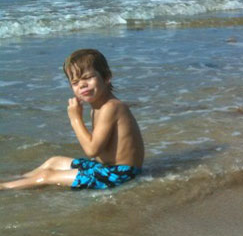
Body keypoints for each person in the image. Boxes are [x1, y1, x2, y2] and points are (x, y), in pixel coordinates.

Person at [2, 49, 145, 190]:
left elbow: (91, 150)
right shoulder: (99, 106)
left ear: (106, 77)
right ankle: (18, 179)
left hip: (120, 174)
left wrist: (75, 119)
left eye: (88, 77)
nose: (82, 84)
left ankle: (4, 187)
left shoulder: (111, 107)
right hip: (106, 168)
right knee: (54, 161)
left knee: (47, 175)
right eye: (75, 82)